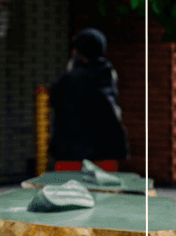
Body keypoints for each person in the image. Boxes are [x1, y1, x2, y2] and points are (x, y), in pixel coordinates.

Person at [49, 27, 129, 162]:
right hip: (108, 149)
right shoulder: (108, 74)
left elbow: (55, 99)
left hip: (74, 151)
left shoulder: (72, 78)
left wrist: (71, 71)